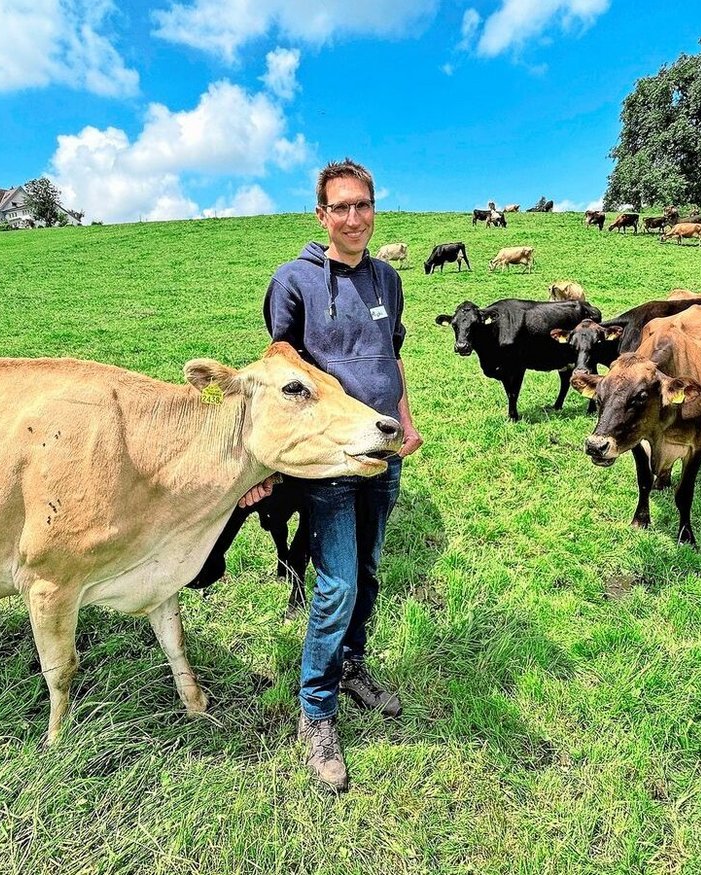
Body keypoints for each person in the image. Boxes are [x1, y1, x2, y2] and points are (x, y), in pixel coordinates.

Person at [244, 158, 422, 793]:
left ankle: (352, 665)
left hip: (385, 451)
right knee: (337, 585)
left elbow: (391, 356)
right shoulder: (293, 280)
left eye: (363, 206)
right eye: (340, 207)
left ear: (374, 211)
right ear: (322, 216)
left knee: (370, 572)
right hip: (331, 459)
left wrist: (404, 418)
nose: (353, 218)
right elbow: (278, 361)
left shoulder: (388, 280)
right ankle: (315, 711)